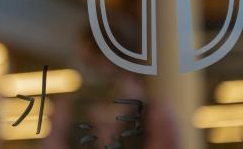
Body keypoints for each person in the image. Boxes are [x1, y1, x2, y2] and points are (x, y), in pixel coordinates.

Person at [43, 27, 180, 149]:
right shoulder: (67, 112)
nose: (91, 74)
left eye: (94, 63)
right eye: (87, 65)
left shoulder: (155, 114)